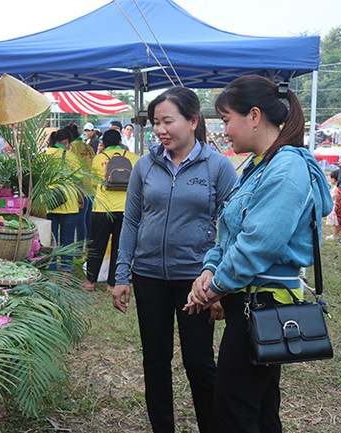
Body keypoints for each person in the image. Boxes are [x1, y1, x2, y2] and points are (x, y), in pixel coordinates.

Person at [185, 76, 332, 433]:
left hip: (265, 303)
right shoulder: (257, 166)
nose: (223, 129)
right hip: (248, 302)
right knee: (261, 409)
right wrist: (209, 271)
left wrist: (214, 286)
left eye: (226, 118)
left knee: (234, 410)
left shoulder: (286, 167)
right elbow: (230, 231)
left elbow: (258, 244)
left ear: (254, 116)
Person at [112, 87, 237, 433]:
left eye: (168, 121)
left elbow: (234, 226)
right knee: (155, 360)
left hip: (195, 281)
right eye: (156, 123)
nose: (161, 130)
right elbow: (132, 220)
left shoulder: (218, 166)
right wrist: (122, 275)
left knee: (199, 362)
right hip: (149, 277)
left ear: (193, 121)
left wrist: (220, 285)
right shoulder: (144, 166)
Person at [85, 129, 138, 291]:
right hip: (126, 209)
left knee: (96, 244)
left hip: (102, 208)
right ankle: (112, 284)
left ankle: (90, 282)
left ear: (104, 143)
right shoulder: (133, 158)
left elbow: (93, 185)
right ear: (121, 142)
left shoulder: (99, 158)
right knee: (120, 246)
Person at [45, 126, 83, 272]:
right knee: (67, 240)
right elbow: (79, 182)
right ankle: (66, 272)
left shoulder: (45, 155)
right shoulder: (72, 157)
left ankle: (52, 271)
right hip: (70, 203)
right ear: (66, 141)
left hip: (49, 203)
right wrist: (80, 201)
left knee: (50, 240)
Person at [67, 124, 95, 254]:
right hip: (90, 187)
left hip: (80, 188)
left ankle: (78, 250)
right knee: (88, 219)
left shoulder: (73, 149)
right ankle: (87, 246)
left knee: (80, 220)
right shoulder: (89, 148)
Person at [325, 170, 341, 240]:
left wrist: (329, 197)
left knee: (336, 223)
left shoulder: (338, 188)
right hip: (335, 206)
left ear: (334, 179)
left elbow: (335, 195)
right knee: (337, 223)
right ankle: (337, 234)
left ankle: (335, 235)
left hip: (335, 206)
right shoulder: (338, 187)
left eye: (331, 179)